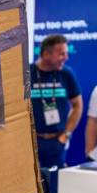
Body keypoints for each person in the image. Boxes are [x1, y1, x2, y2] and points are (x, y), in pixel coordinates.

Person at [30, 34, 82, 168]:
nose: (66, 58)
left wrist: (66, 135)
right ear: (46, 54)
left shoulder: (66, 73)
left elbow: (78, 105)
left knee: (54, 185)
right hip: (31, 142)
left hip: (56, 141)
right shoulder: (27, 73)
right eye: (61, 54)